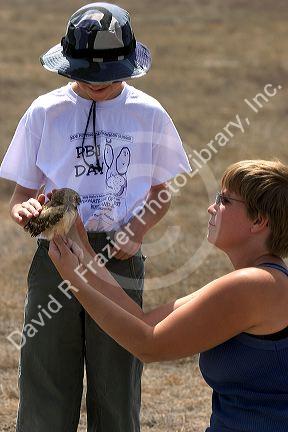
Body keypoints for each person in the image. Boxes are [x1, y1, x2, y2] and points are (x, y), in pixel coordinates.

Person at [0, 3, 191, 432]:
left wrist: (137, 230)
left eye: (107, 76)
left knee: (116, 375)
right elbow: (20, 196)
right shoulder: (44, 112)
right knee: (47, 369)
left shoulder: (148, 114)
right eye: (85, 76)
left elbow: (162, 193)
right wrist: (26, 212)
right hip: (59, 251)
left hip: (116, 257)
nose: (96, 85)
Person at [49, 159, 288, 432]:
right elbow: (145, 321)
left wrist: (74, 281)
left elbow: (148, 346)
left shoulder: (254, 285)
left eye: (224, 200)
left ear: (259, 220)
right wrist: (77, 238)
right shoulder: (263, 279)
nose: (212, 207)